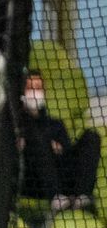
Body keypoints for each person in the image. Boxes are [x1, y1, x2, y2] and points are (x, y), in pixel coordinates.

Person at [17, 70, 100, 219]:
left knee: (92, 136)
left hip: (62, 178)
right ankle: (56, 197)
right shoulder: (18, 125)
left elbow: (67, 154)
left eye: (38, 88)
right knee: (37, 138)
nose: (35, 93)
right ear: (22, 93)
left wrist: (59, 150)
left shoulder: (55, 124)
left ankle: (81, 197)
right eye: (30, 88)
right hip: (34, 183)